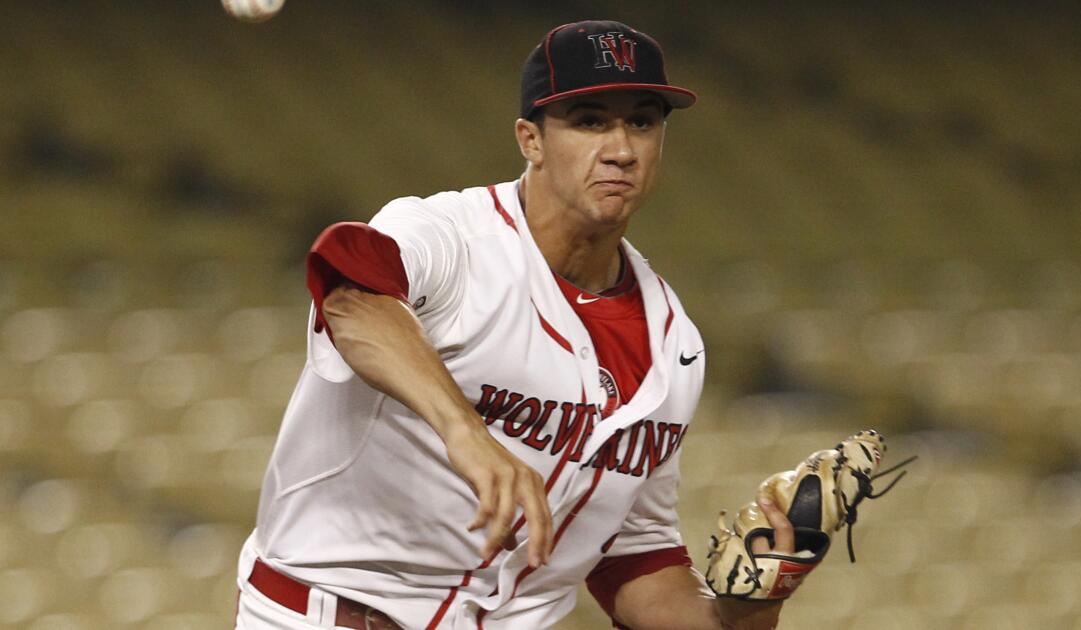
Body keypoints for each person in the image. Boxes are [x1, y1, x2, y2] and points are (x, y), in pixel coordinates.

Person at [235, 20, 800, 630]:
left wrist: (758, 598)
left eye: (642, 121)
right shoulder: (452, 237)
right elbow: (352, 291)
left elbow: (633, 557)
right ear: (530, 139)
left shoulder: (674, 344)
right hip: (331, 612)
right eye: (589, 121)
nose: (621, 148)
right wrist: (465, 431)